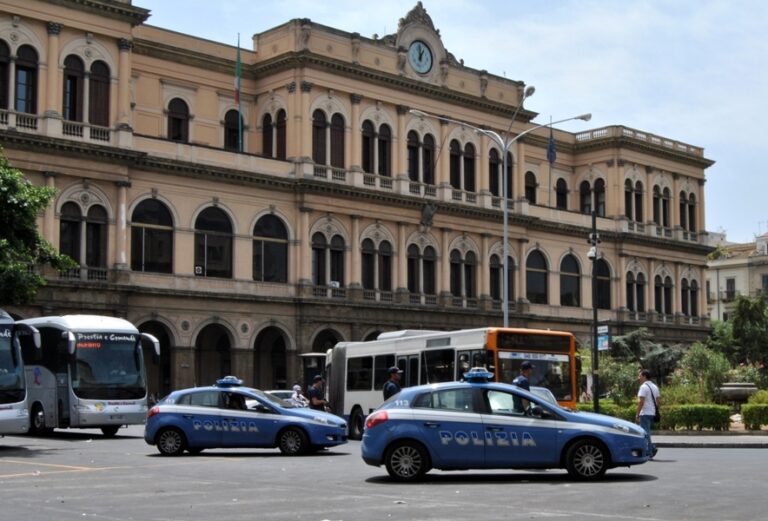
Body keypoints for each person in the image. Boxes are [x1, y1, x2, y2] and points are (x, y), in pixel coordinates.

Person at [636, 369, 661, 458]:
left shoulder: (643, 387)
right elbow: (658, 401)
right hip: (652, 413)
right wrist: (655, 411)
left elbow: (641, 401)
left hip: (645, 413)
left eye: (640, 376)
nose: (639, 378)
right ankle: (651, 449)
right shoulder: (655, 386)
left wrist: (637, 413)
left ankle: (650, 451)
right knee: (647, 432)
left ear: (644, 376)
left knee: (645, 433)